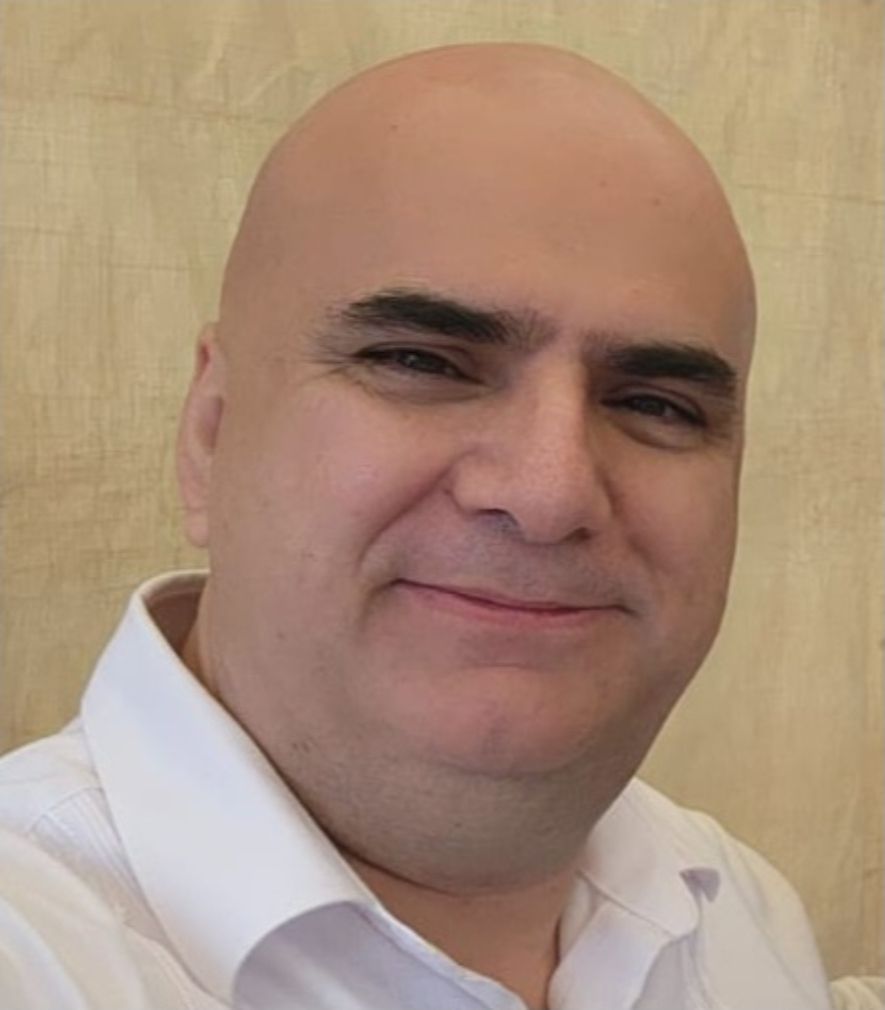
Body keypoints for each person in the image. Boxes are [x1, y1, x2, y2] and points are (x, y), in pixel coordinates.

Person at [0, 41, 854, 1010]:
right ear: (212, 432)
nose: (548, 493)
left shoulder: (743, 917)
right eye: (422, 361)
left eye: (656, 404)